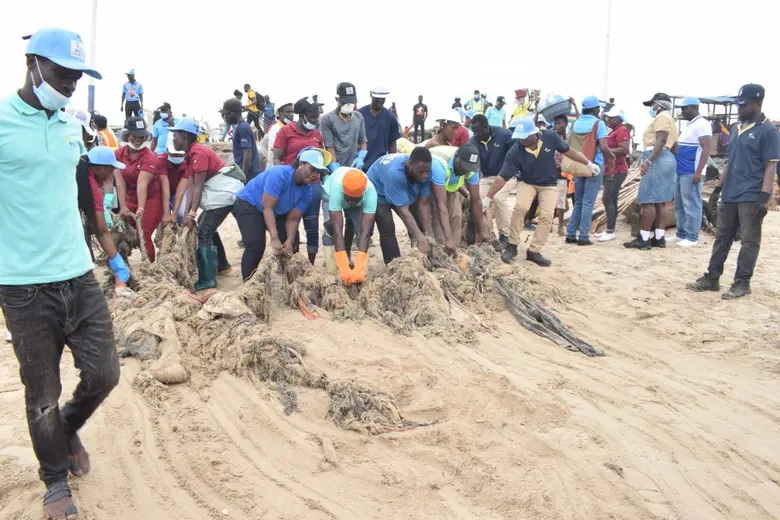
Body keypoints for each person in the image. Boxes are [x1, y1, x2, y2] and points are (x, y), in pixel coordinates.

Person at [0, 27, 119, 520]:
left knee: (105, 373)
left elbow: (81, 194)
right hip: (23, 285)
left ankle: (67, 430)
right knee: (42, 392)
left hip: (77, 274)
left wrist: (108, 252)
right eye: (61, 73)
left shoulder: (72, 127)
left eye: (77, 77)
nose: (70, 84)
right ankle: (54, 482)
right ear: (32, 64)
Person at [688, 84, 779, 299]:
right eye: (738, 105)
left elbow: (770, 166)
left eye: (744, 105)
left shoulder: (768, 131)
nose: (740, 108)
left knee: (749, 241)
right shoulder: (737, 128)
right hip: (730, 193)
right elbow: (730, 163)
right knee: (722, 237)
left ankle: (742, 283)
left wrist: (763, 197)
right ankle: (712, 277)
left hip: (751, 194)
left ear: (758, 103)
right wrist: (718, 188)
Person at [484, 117, 601, 266]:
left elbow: (568, 151)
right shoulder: (515, 152)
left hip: (548, 184)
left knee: (547, 215)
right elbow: (502, 178)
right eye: (519, 137)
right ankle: (512, 246)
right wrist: (488, 198)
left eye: (524, 137)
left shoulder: (550, 137)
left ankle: (534, 251)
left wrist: (588, 163)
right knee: (520, 208)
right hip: (527, 182)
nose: (522, 140)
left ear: (533, 133)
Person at [233, 148, 330, 281]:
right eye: (312, 169)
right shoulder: (279, 174)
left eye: (319, 172)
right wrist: (274, 238)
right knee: (256, 244)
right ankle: (249, 284)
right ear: (300, 164)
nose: (315, 175)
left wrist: (289, 240)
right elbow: (267, 208)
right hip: (250, 204)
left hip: (275, 211)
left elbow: (293, 219)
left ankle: (292, 283)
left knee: (292, 244)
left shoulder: (307, 192)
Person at [172, 118, 241, 289]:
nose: (173, 139)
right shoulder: (191, 155)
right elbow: (191, 186)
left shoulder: (199, 153)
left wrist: (191, 215)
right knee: (206, 226)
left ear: (184, 135)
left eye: (175, 135)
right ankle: (222, 265)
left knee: (204, 232)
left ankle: (207, 279)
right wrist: (187, 214)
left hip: (223, 196)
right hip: (218, 196)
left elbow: (198, 188)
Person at [624, 93, 679, 249]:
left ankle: (644, 238)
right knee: (661, 201)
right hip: (667, 157)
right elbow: (675, 147)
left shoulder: (662, 117)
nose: (651, 108)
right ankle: (659, 238)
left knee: (648, 200)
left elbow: (661, 139)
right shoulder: (672, 120)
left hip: (656, 158)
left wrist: (649, 161)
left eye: (652, 105)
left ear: (659, 105)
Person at [114, 117, 169, 262]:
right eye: (135, 136)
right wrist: (123, 205)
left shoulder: (149, 157)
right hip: (131, 197)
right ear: (128, 135)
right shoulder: (118, 154)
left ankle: (149, 266)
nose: (139, 139)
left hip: (151, 199)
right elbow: (120, 182)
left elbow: (142, 184)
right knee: (121, 232)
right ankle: (121, 266)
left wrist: (141, 208)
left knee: (143, 234)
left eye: (142, 136)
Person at [366, 149, 434, 264]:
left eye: (427, 171)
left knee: (418, 223)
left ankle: (419, 258)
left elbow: (423, 204)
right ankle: (394, 264)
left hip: (401, 187)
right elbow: (404, 212)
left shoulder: (426, 171)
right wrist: (421, 239)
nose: (425, 175)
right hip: (378, 189)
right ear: (409, 163)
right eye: (421, 172)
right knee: (386, 225)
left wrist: (429, 235)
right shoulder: (395, 173)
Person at [76, 146, 132, 284]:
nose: (111, 174)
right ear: (100, 168)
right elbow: (101, 231)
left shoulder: (78, 170)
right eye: (111, 169)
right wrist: (117, 262)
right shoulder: (90, 186)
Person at [564, 96, 614, 246]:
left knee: (578, 201)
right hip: (595, 165)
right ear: (595, 109)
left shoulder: (577, 122)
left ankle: (570, 234)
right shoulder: (599, 123)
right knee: (588, 202)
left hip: (579, 164)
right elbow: (603, 147)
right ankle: (584, 236)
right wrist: (611, 157)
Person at [669, 96, 712, 248]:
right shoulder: (690, 125)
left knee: (691, 203)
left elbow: (706, 148)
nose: (683, 111)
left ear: (694, 108)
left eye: (685, 108)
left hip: (691, 171)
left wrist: (698, 172)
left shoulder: (702, 124)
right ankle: (681, 233)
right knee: (679, 204)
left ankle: (692, 236)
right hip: (680, 170)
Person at [428, 144, 488, 254]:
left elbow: (476, 200)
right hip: (431, 186)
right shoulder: (439, 165)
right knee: (438, 222)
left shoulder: (472, 169)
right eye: (463, 166)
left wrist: (481, 231)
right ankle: (440, 252)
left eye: (469, 168)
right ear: (456, 157)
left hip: (450, 186)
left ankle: (454, 250)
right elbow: (441, 205)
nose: (465, 171)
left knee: (456, 216)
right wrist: (448, 239)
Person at [321, 167, 377, 283]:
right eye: (349, 199)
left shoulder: (370, 193)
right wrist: (343, 267)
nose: (351, 203)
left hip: (357, 198)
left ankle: (354, 263)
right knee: (330, 230)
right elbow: (337, 230)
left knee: (359, 229)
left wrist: (360, 266)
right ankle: (332, 270)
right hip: (330, 193)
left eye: (354, 200)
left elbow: (365, 232)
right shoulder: (337, 188)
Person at [470, 114, 516, 246]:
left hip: (506, 176)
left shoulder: (505, 135)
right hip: (486, 176)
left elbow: (516, 153)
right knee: (479, 200)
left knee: (498, 198)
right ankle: (488, 233)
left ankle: (504, 234)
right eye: (474, 131)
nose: (476, 134)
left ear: (486, 127)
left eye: (478, 131)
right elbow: (474, 164)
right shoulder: (473, 141)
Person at [597, 107, 631, 242]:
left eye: (611, 118)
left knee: (607, 199)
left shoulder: (622, 130)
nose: (609, 120)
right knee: (612, 199)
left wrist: (606, 150)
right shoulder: (615, 131)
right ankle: (610, 229)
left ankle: (610, 230)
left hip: (617, 169)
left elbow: (624, 149)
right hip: (611, 169)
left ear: (618, 119)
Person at [358, 86, 401, 171]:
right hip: (360, 164)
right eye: (377, 99)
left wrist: (392, 164)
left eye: (382, 99)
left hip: (379, 165)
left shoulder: (390, 118)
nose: (380, 101)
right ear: (371, 95)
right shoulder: (359, 115)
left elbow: (392, 144)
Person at [221, 98, 262, 182]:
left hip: (250, 174)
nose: (225, 117)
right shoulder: (240, 126)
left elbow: (248, 153)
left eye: (227, 113)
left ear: (236, 113)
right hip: (249, 173)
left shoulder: (243, 128)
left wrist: (243, 176)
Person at [156, 143, 188, 224]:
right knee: (161, 216)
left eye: (179, 155)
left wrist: (174, 214)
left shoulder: (188, 162)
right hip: (162, 191)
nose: (177, 157)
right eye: (174, 154)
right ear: (168, 151)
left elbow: (180, 191)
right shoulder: (161, 160)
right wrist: (166, 213)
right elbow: (165, 188)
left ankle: (180, 228)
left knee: (181, 214)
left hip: (179, 190)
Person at [552, 114, 571, 236]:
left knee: (561, 199)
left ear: (565, 124)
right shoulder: (552, 137)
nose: (557, 126)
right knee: (549, 198)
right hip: (550, 170)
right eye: (556, 123)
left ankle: (560, 226)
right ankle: (549, 223)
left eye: (559, 123)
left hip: (562, 171)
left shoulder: (568, 139)